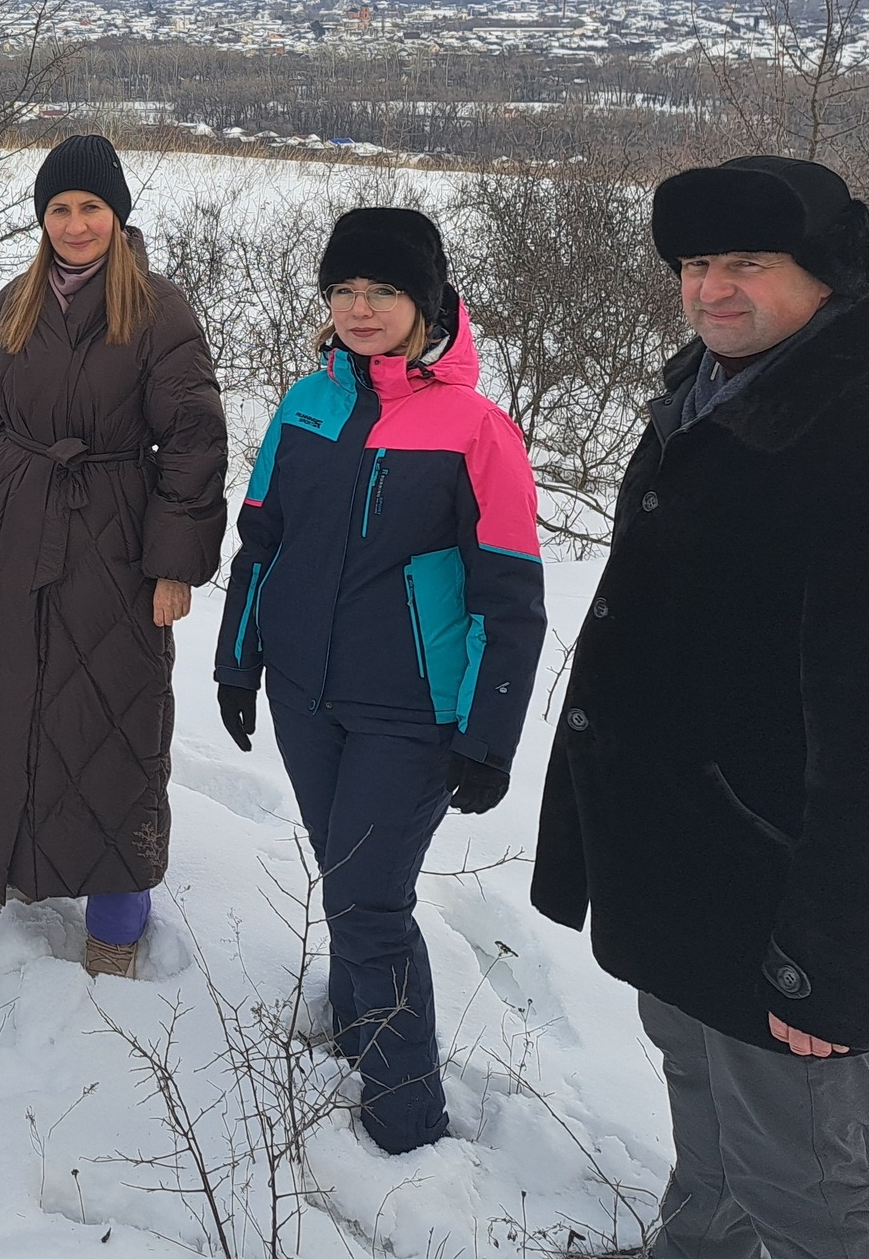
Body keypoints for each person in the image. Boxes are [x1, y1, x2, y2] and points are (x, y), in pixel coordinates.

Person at [535, 156, 869, 1256]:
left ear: (829, 276)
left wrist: (831, 963)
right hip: (681, 870)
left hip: (777, 905)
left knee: (805, 1191)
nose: (712, 290)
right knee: (706, 1130)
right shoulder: (710, 391)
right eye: (695, 264)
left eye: (749, 262)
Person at [213, 206, 546, 1154]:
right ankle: (360, 1035)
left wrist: (489, 735)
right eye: (344, 290)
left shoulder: (476, 429)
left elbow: (510, 595)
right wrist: (239, 659)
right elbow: (262, 541)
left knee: (370, 903)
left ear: (426, 302)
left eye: (384, 291)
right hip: (303, 695)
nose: (360, 308)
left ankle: (404, 1123)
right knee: (347, 878)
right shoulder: (306, 404)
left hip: (411, 711)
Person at [0, 134, 229, 977]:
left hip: (114, 535)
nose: (76, 223)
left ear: (118, 215)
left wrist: (174, 563)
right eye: (60, 208)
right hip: (7, 529)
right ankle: (8, 861)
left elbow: (195, 440)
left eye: (91, 207)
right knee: (1, 698)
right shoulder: (15, 303)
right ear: (42, 218)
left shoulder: (159, 311)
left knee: (109, 719)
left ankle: (117, 917)